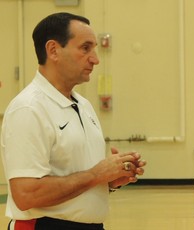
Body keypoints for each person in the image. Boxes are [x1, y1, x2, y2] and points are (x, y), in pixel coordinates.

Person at [1, 12, 146, 230]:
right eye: (85, 48)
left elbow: (76, 178)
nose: (96, 59)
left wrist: (109, 180)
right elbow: (26, 194)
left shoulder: (84, 105)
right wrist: (97, 174)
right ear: (53, 50)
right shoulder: (28, 108)